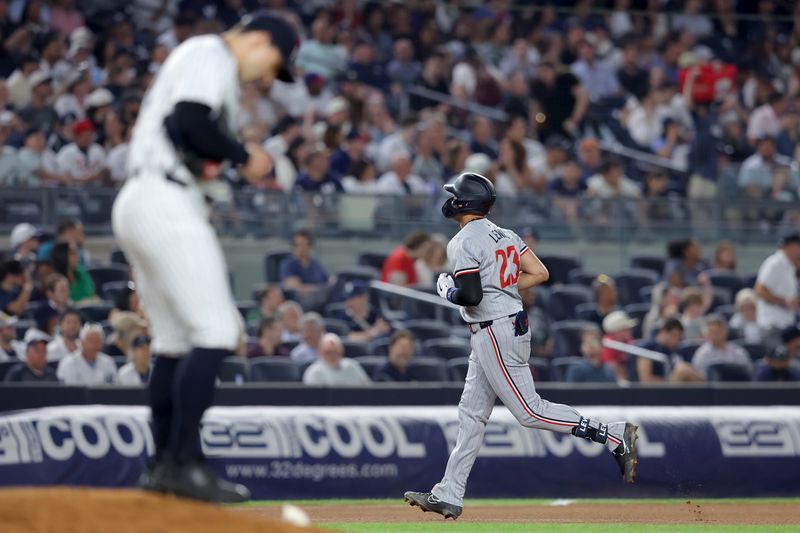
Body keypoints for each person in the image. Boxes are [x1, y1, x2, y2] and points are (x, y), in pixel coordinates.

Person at [110, 12, 298, 503]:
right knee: (217, 331)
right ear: (259, 41)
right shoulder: (209, 53)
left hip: (147, 196)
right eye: (272, 64)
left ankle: (162, 467)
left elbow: (187, 134)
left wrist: (226, 156)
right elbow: (188, 120)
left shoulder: (202, 61)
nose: (265, 78)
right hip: (162, 198)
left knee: (173, 342)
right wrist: (243, 156)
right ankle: (184, 463)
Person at [404, 173, 638, 520]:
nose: (450, 198)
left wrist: (446, 291)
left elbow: (470, 295)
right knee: (471, 414)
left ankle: (613, 434)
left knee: (529, 411)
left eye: (455, 194)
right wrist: (500, 284)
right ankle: (449, 493)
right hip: (502, 324)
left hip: (495, 329)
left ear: (465, 202)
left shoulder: (464, 240)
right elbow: (539, 273)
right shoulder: (507, 234)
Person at [754, 232, 800, 346]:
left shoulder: (791, 265)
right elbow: (760, 290)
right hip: (772, 323)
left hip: (787, 323)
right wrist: (784, 301)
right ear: (791, 246)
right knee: (775, 359)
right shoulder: (775, 263)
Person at [637, 318, 703, 383]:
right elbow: (645, 381)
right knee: (682, 370)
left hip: (674, 387)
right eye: (673, 336)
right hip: (654, 391)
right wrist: (671, 380)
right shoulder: (647, 348)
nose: (676, 341)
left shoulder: (675, 350)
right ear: (663, 331)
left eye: (679, 338)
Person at [302, 332, 370, 386]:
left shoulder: (352, 366)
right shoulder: (314, 371)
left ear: (342, 351)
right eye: (328, 352)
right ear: (320, 352)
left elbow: (368, 389)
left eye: (335, 351)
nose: (332, 355)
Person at [599, 310, 638, 380]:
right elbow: (614, 372)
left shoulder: (628, 340)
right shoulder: (608, 344)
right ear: (615, 331)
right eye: (625, 329)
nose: (629, 332)